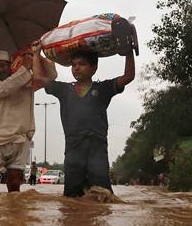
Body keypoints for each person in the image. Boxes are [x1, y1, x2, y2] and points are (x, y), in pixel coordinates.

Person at [33, 45, 135, 197]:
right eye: (73, 65)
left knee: (103, 196)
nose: (76, 68)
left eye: (82, 64)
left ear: (93, 68)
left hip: (97, 151)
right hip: (73, 152)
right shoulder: (64, 89)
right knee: (71, 200)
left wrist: (128, 51)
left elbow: (128, 76)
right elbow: (38, 78)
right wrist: (36, 53)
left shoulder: (103, 88)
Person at [0, 47, 56, 192]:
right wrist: (26, 68)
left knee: (14, 181)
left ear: (10, 64)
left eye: (3, 65)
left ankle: (13, 212)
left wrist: (36, 55)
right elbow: (6, 89)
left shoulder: (28, 82)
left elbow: (52, 76)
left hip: (20, 139)